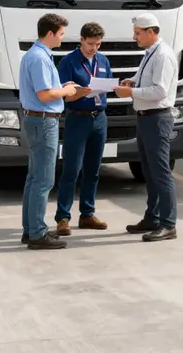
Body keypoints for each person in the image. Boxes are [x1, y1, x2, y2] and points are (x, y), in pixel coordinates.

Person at [19, 13, 86, 249]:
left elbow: (48, 89)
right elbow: (44, 95)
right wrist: (66, 93)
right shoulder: (39, 58)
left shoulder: (36, 55)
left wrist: (62, 87)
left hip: (38, 119)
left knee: (35, 177)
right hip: (43, 120)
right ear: (50, 33)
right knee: (43, 180)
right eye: (60, 34)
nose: (62, 38)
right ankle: (37, 234)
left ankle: (31, 230)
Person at [114, 12, 178, 241]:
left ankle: (168, 224)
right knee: (150, 172)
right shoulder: (150, 53)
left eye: (138, 33)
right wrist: (133, 81)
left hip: (157, 118)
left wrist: (130, 92)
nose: (135, 37)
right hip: (145, 117)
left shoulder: (163, 56)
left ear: (151, 32)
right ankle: (152, 217)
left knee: (161, 174)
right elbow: (146, 80)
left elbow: (160, 91)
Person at [53, 21, 114, 235]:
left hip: (99, 119)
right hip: (78, 118)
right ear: (81, 40)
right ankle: (63, 217)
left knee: (93, 169)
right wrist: (79, 91)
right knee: (71, 169)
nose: (94, 48)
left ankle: (87, 213)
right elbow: (61, 91)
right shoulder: (69, 62)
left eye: (97, 44)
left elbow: (108, 84)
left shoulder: (103, 60)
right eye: (90, 44)